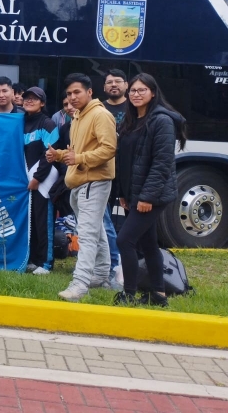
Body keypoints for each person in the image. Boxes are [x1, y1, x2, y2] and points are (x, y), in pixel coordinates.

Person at [114, 74, 187, 307]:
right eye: (133, 90)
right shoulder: (131, 121)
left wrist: (146, 197)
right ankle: (158, 294)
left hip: (151, 195)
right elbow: (124, 161)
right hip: (134, 193)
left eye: (142, 90)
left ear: (153, 93)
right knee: (148, 244)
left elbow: (162, 163)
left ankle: (129, 293)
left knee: (124, 240)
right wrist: (123, 193)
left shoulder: (161, 121)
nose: (136, 94)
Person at [46, 73, 117, 302]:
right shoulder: (77, 116)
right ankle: (101, 275)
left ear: (90, 92)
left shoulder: (100, 115)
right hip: (79, 182)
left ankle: (80, 284)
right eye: (68, 94)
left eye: (77, 92)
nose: (72, 97)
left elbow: (109, 149)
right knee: (97, 232)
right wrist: (58, 155)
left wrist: (78, 159)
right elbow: (76, 152)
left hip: (93, 182)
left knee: (86, 235)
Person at [22, 87, 59, 275]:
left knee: (43, 221)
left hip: (43, 181)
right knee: (31, 221)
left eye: (34, 99)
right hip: (25, 181)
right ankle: (33, 259)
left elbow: (49, 154)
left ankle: (46, 262)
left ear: (42, 103)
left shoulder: (48, 124)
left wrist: (37, 178)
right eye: (26, 98)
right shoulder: (19, 122)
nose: (29, 101)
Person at [102, 69, 129, 290]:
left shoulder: (134, 107)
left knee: (130, 218)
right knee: (104, 219)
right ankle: (110, 262)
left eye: (117, 81)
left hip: (128, 172)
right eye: (109, 82)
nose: (113, 85)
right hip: (104, 171)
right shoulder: (98, 109)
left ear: (126, 85)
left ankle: (129, 262)